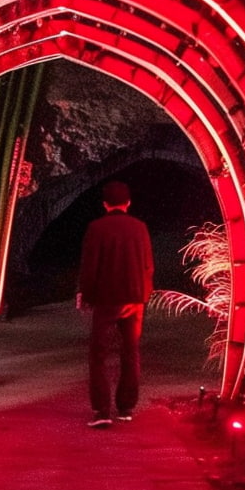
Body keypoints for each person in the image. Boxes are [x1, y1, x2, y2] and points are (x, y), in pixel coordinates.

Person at [78, 179, 155, 427]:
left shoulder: (96, 228)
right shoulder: (140, 227)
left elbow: (90, 267)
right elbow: (148, 265)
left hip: (107, 298)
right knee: (130, 352)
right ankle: (126, 407)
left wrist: (86, 295)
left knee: (99, 354)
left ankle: (102, 411)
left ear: (105, 204)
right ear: (128, 203)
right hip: (135, 297)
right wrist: (145, 292)